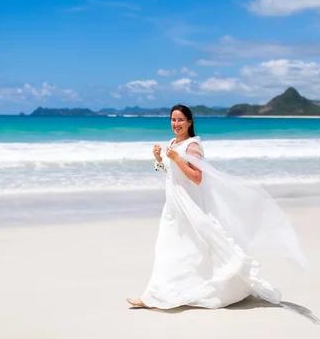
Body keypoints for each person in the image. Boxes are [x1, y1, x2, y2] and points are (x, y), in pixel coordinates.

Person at [126, 104, 308, 309]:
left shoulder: (192, 146)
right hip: (173, 207)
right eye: (173, 120)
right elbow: (169, 172)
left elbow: (197, 178)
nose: (176, 124)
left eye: (180, 120)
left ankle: (155, 297)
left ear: (189, 122)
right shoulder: (172, 143)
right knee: (170, 249)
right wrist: (159, 159)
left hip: (190, 205)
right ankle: (162, 294)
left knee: (192, 248)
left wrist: (177, 158)